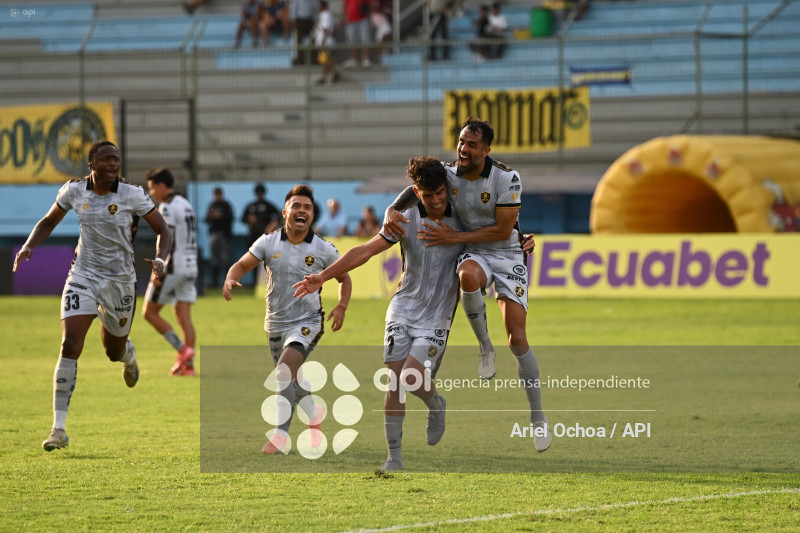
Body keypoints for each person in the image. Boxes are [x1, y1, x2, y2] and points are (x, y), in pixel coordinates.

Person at [383, 117, 552, 452]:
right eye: (461, 141)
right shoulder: (448, 173)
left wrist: (456, 236)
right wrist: (391, 208)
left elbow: (504, 231)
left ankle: (538, 417)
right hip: (474, 251)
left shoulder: (506, 178)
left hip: (506, 252)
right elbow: (414, 187)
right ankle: (485, 347)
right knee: (467, 276)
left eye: (472, 144)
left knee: (517, 338)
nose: (463, 148)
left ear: (485, 150)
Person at [293, 156, 461, 471]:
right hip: (403, 307)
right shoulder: (405, 219)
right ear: (416, 192)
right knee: (395, 381)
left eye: (441, 192)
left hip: (438, 313)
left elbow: (495, 235)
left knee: (412, 378)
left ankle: (436, 404)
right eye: (428, 195)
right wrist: (324, 276)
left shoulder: (464, 218)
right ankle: (394, 458)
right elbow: (366, 250)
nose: (437, 200)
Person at [13, 140, 172, 452]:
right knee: (70, 344)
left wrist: (161, 260)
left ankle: (129, 356)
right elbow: (48, 220)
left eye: (116, 160)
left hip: (120, 281)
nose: (114, 164)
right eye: (107, 159)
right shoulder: (74, 191)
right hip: (82, 275)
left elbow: (163, 231)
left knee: (112, 351)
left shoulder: (132, 194)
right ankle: (58, 429)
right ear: (91, 165)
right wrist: (30, 244)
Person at [223, 184, 352, 454]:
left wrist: (341, 306)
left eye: (307, 207)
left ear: (313, 215)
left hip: (308, 321)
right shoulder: (267, 242)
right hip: (275, 323)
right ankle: (314, 418)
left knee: (283, 372)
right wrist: (230, 278)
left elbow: (345, 278)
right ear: (285, 212)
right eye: (296, 206)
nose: (301, 211)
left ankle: (279, 437)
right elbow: (242, 265)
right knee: (292, 380)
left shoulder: (323, 249)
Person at [142, 168, 199, 377]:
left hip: (174, 264)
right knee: (183, 316)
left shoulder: (166, 207)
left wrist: (159, 267)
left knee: (149, 312)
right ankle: (189, 367)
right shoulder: (186, 204)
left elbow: (166, 235)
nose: (151, 193)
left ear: (161, 185)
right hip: (191, 265)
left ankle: (183, 350)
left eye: (151, 187)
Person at [204, 187, 234, 288]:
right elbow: (206, 219)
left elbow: (230, 218)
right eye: (216, 195)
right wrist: (211, 216)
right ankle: (214, 282)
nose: (217, 197)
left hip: (224, 234)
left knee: (226, 258)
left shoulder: (226, 205)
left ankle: (227, 281)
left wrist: (220, 216)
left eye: (219, 194)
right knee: (214, 258)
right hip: (214, 233)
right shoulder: (212, 205)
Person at [313, 0, 341, 85]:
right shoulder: (323, 15)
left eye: (319, 6)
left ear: (322, 6)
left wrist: (322, 41)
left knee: (324, 60)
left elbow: (326, 29)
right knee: (325, 60)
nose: (318, 8)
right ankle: (323, 78)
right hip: (324, 42)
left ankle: (335, 73)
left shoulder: (326, 15)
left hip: (325, 43)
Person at [342, 0, 372, 68]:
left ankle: (365, 59)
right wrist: (344, 17)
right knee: (352, 41)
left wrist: (369, 15)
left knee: (365, 40)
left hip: (363, 19)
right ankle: (354, 60)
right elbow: (345, 5)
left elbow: (370, 4)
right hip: (350, 20)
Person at [290, 0, 319, 65]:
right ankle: (300, 58)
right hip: (300, 20)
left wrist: (316, 21)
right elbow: (294, 8)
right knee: (299, 40)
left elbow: (314, 10)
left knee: (312, 39)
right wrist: (293, 20)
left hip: (309, 20)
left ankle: (313, 58)